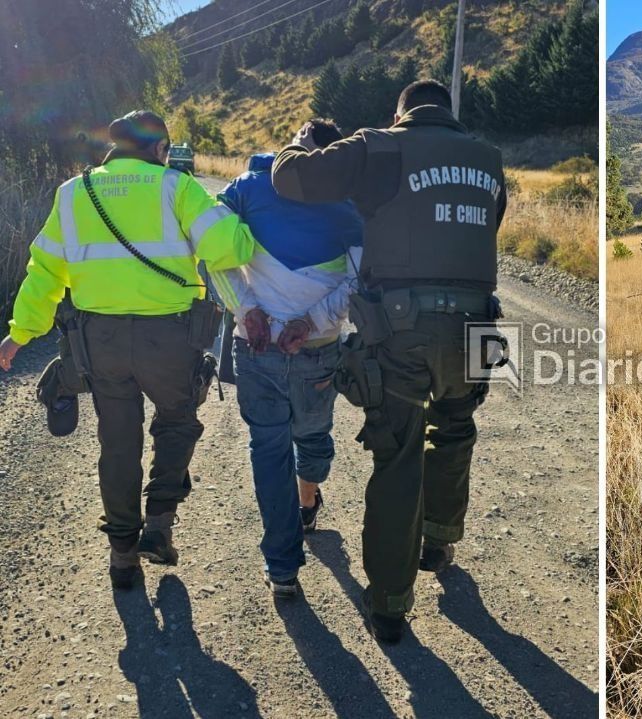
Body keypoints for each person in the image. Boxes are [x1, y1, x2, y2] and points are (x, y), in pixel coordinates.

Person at [271, 79, 506, 642]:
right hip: (479, 326)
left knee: (398, 455)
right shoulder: (490, 161)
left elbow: (292, 179)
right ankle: (440, 537)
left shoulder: (379, 146)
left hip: (404, 328)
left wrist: (298, 144)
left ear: (400, 111)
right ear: (446, 113)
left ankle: (390, 605)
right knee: (456, 426)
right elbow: (486, 226)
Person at [0, 110, 256, 589]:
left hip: (101, 342)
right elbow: (230, 250)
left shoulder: (74, 193)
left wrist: (20, 332)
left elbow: (45, 272)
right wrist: (236, 219)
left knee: (117, 444)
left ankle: (122, 555)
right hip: (169, 338)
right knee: (178, 421)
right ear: (160, 149)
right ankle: (159, 525)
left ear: (112, 149)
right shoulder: (175, 187)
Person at [208, 118, 364, 598]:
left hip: (255, 350)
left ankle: (282, 568)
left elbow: (209, 253)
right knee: (313, 435)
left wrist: (248, 309)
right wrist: (310, 323)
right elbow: (360, 282)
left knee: (269, 450)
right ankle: (308, 501)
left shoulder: (247, 188)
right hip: (317, 352)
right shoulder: (352, 206)